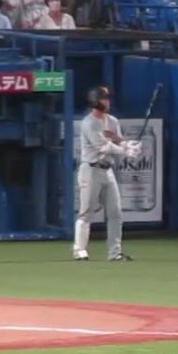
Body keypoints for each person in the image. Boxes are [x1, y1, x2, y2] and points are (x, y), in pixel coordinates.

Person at [73, 86, 139, 261]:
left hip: (107, 170)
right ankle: (79, 249)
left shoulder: (112, 121)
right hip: (90, 170)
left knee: (115, 213)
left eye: (107, 98)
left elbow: (117, 140)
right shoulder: (89, 123)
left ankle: (115, 252)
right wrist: (125, 151)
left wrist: (129, 145)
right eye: (104, 98)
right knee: (86, 212)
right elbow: (102, 146)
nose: (107, 101)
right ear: (95, 101)